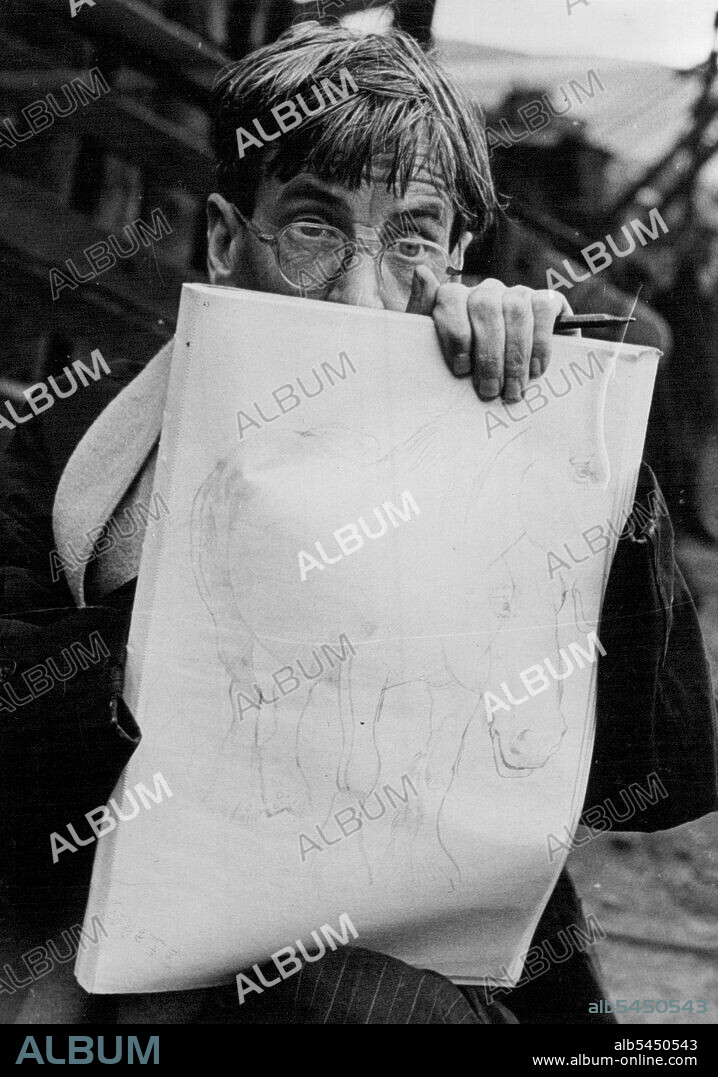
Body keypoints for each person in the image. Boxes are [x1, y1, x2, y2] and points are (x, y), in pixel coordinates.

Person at [0, 22, 715, 1025]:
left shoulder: (507, 431)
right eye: (313, 229)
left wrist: (577, 457)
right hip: (127, 944)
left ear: (458, 256)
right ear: (222, 237)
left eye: (412, 239)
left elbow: (665, 775)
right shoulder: (78, 452)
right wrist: (215, 594)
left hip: (400, 972)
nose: (362, 291)